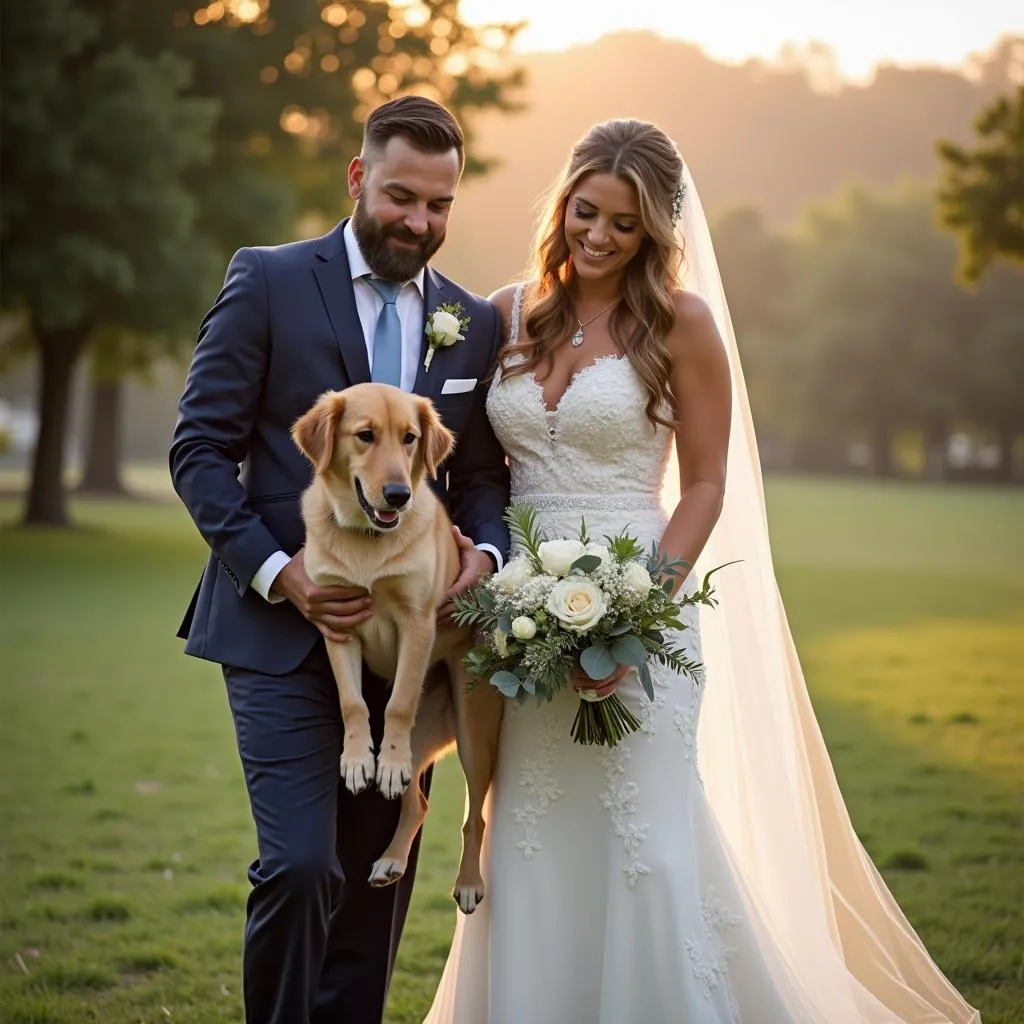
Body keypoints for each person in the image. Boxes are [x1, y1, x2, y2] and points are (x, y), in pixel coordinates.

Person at [424, 119, 980, 1023]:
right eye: (586, 211)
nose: (598, 236)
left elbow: (709, 480)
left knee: (643, 835)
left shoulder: (679, 322)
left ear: (657, 234)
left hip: (638, 595)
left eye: (625, 224)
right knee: (525, 830)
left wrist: (634, 611)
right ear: (563, 203)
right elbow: (476, 467)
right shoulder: (506, 311)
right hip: (517, 618)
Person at [169, 96, 510, 1024]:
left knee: (372, 886)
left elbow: (478, 474)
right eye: (402, 196)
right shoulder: (269, 280)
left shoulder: (471, 323)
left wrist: (483, 551)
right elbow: (198, 451)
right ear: (359, 178)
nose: (420, 222)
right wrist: (284, 575)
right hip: (279, 633)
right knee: (299, 865)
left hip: (407, 647)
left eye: (439, 205)